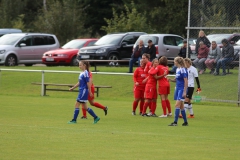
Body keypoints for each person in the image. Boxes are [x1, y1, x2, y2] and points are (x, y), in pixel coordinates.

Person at [168, 57, 188, 126]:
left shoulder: (183, 70)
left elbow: (186, 81)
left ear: (177, 62)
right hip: (177, 88)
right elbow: (176, 79)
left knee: (177, 105)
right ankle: (185, 122)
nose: (174, 62)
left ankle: (175, 122)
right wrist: (171, 80)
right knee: (181, 106)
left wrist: (185, 91)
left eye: (175, 61)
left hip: (182, 89)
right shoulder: (177, 69)